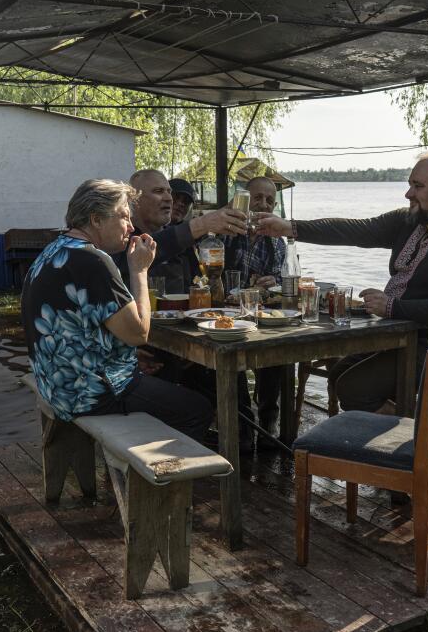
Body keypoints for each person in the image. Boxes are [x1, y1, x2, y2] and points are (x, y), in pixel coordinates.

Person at [253, 152, 428, 414]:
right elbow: (355, 229)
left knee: (354, 388)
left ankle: (418, 443)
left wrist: (392, 307)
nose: (408, 194)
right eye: (409, 184)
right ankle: (408, 426)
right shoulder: (411, 220)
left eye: (418, 186)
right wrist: (289, 227)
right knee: (339, 373)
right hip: (404, 336)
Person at [21, 179, 211, 440]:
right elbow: (138, 333)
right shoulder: (92, 261)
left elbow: (80, 327)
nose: (131, 227)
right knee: (197, 409)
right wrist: (140, 270)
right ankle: (155, 475)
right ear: (96, 219)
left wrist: (123, 356)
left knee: (164, 377)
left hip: (57, 386)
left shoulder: (55, 251)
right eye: (124, 217)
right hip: (89, 395)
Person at [113, 169, 247, 291]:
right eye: (158, 191)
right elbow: (152, 247)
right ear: (134, 200)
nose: (168, 198)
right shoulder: (119, 238)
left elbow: (200, 284)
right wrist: (202, 224)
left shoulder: (183, 242)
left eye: (169, 192)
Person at [225, 175, 287, 435]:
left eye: (269, 201)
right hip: (223, 312)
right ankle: (242, 423)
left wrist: (274, 281)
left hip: (258, 313)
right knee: (230, 355)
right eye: (257, 198)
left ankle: (269, 419)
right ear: (243, 200)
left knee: (276, 349)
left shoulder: (277, 242)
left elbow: (283, 283)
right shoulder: (226, 231)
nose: (263, 204)